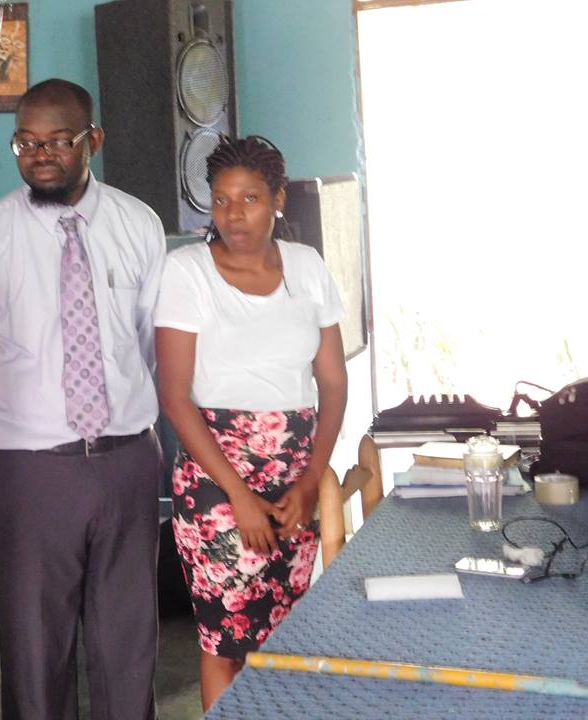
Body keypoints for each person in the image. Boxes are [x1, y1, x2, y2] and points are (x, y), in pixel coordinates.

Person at [0, 78, 165, 720]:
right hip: (30, 471)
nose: (40, 155)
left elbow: (150, 343)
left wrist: (125, 423)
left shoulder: (138, 224)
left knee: (128, 646)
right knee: (36, 653)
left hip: (126, 460)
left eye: (59, 141)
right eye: (26, 142)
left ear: (94, 140)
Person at [154, 136, 348, 709]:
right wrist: (237, 496)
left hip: (294, 479)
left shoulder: (307, 267)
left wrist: (311, 481)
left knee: (282, 639)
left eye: (249, 198)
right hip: (216, 482)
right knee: (226, 643)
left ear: (278, 200)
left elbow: (333, 383)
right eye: (221, 200)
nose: (233, 214)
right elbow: (175, 397)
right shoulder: (187, 272)